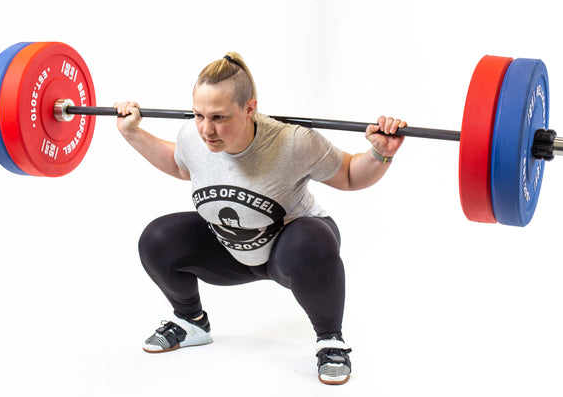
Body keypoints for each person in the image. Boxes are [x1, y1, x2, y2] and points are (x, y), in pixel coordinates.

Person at [114, 52, 406, 385]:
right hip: (230, 247)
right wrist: (132, 133)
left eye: (219, 117)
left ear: (250, 108)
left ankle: (330, 340)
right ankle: (190, 321)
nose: (207, 129)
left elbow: (351, 176)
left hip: (290, 251)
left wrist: (381, 152)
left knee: (311, 238)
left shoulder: (293, 142)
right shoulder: (193, 138)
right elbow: (180, 165)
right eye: (199, 115)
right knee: (157, 239)